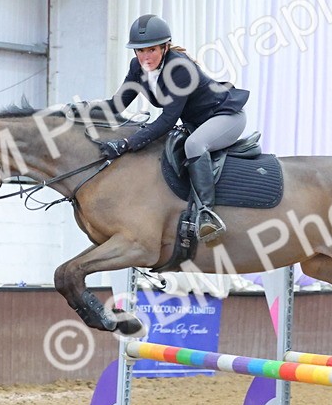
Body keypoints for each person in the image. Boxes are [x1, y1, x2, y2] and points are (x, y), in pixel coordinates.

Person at [98, 14, 250, 243]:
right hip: (197, 122)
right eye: (140, 51)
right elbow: (117, 104)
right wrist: (81, 111)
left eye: (151, 50)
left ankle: (207, 215)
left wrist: (126, 144)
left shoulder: (179, 67)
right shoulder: (137, 68)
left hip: (226, 116)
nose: (145, 57)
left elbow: (168, 119)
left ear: (165, 47)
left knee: (194, 144)